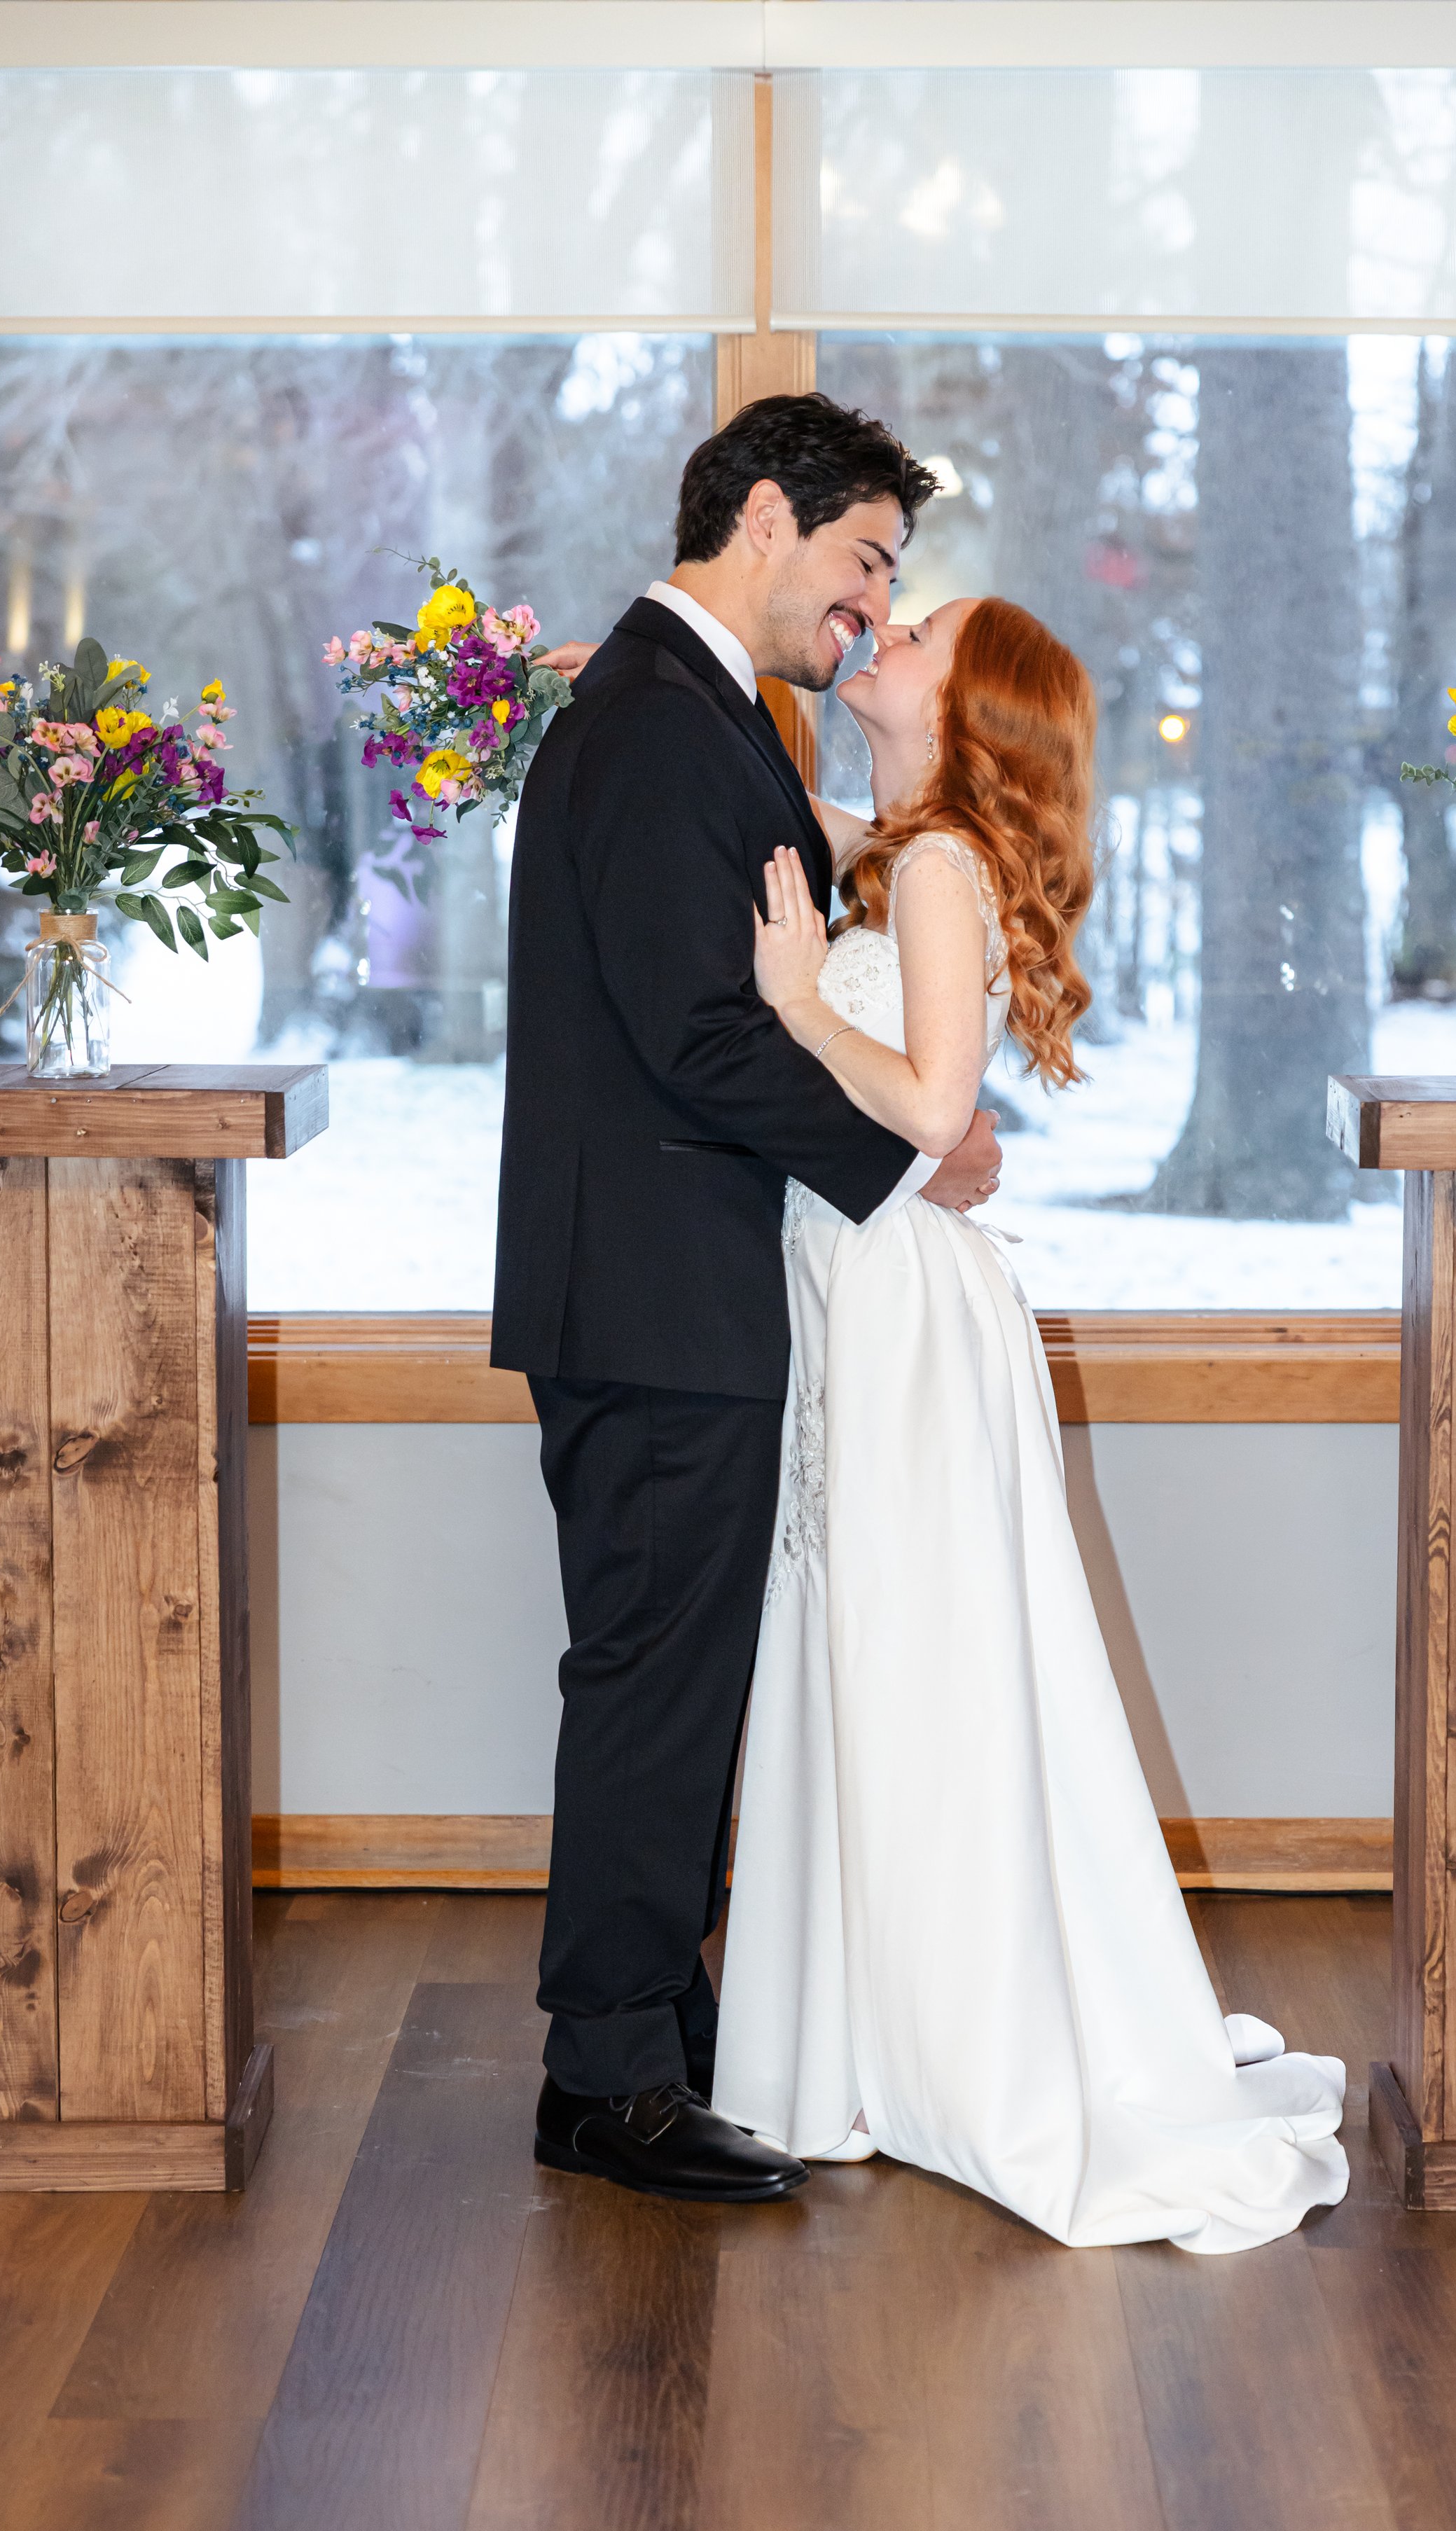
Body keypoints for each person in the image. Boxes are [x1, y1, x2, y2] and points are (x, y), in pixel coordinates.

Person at [712, 593, 1350, 2252]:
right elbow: (771, 805)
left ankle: (919, 2050)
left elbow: (932, 1109)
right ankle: (866, 2038)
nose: (880, 626)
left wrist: (792, 1001)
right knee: (878, 1651)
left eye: (914, 626)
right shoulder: (895, 846)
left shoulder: (929, 874)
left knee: (913, 1658)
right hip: (867, 1291)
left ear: (969, 701)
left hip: (902, 1302)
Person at [492, 393, 1003, 2204]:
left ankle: (650, 2022)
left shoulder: (695, 709)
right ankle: (607, 2073)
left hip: (668, 1289)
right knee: (648, 1673)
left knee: (672, 1669)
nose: (868, 605)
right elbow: (693, 1024)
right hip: (647, 1297)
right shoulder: (655, 716)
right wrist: (912, 1152)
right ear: (771, 516)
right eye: (866, 558)